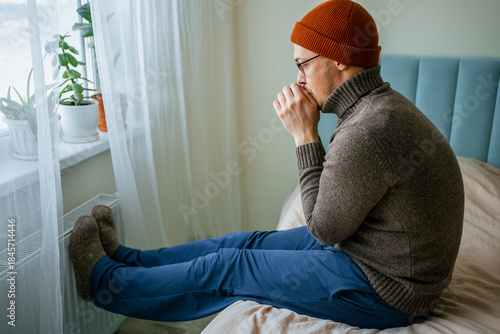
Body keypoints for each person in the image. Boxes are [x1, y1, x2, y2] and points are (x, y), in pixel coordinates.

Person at [69, 0, 464, 330]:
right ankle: (126, 259)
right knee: (240, 243)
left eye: (303, 64)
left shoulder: (369, 128)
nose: (299, 79)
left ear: (340, 59)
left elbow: (323, 230)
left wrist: (304, 136)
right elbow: (338, 202)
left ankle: (103, 281)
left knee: (230, 267)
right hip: (371, 250)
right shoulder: (376, 107)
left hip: (387, 290)